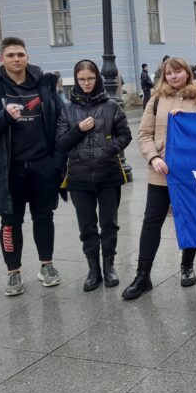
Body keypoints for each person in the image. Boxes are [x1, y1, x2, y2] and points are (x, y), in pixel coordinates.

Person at [0, 37, 65, 296]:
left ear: (27, 57)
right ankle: (13, 272)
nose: (16, 59)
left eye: (20, 54)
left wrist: (56, 161)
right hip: (8, 168)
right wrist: (3, 117)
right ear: (1, 59)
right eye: (10, 55)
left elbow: (61, 120)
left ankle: (47, 265)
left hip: (42, 164)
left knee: (45, 216)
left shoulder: (44, 84)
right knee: (10, 221)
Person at [122, 57, 196, 301]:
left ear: (187, 72)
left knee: (189, 219)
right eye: (168, 73)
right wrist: (153, 158)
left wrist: (186, 119)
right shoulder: (155, 99)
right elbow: (143, 134)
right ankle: (143, 275)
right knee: (151, 221)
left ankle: (187, 266)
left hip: (190, 173)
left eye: (177, 72)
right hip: (161, 170)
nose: (173, 76)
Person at [56, 60, 132, 291]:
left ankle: (109, 266)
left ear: (97, 78)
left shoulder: (111, 106)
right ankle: (93, 269)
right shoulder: (67, 109)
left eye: (90, 78)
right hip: (79, 177)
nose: (86, 83)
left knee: (109, 224)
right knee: (87, 226)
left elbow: (125, 135)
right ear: (76, 81)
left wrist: (108, 149)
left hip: (108, 174)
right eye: (82, 79)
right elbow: (60, 143)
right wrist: (79, 129)